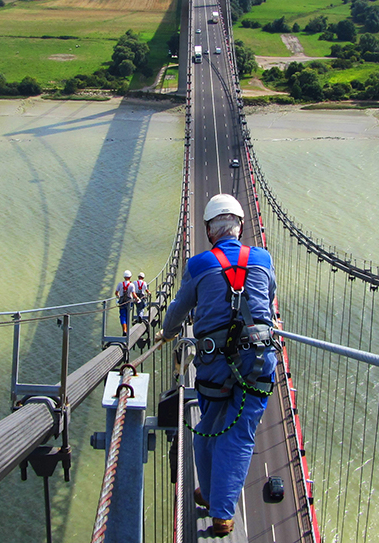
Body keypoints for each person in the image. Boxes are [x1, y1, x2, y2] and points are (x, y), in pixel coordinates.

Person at [156, 194, 278, 537]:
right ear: (239, 227)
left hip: (213, 365)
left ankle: (219, 509)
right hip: (257, 361)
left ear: (210, 231)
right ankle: (214, 499)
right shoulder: (263, 259)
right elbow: (267, 301)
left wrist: (167, 334)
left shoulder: (198, 265)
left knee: (209, 427)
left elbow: (178, 311)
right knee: (238, 434)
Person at [114, 270, 138, 335]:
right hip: (129, 302)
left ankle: (124, 330)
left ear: (124, 277)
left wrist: (119, 296)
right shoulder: (132, 285)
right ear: (130, 277)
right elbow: (134, 294)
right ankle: (127, 330)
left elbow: (116, 293)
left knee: (122, 316)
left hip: (122, 302)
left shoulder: (120, 284)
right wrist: (137, 299)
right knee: (127, 315)